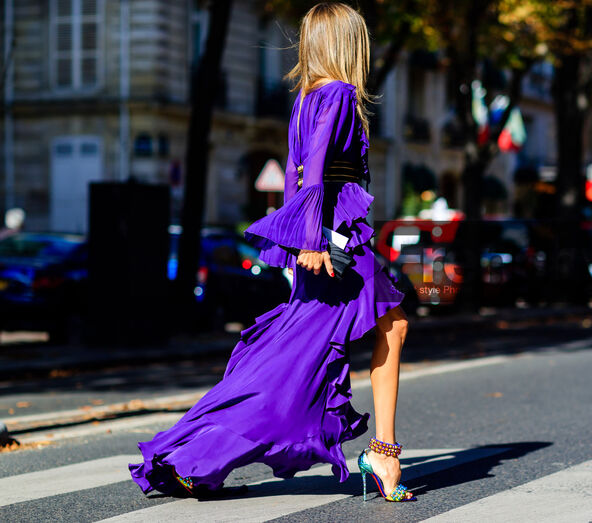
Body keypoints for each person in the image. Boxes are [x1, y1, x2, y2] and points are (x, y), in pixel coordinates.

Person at [128, 2, 415, 503]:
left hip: (324, 238)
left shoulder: (306, 97)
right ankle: (383, 454)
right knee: (375, 330)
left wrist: (300, 238)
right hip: (336, 240)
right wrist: (310, 240)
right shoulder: (342, 94)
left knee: (292, 358)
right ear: (351, 44)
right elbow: (319, 169)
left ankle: (196, 453)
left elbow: (294, 172)